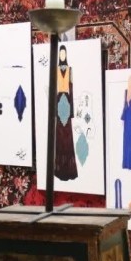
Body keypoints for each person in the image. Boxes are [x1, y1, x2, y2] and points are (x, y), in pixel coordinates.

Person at [54, 45, 78, 180]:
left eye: (64, 53)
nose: (62, 55)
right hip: (58, 102)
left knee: (68, 138)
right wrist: (54, 110)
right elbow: (53, 91)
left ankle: (69, 170)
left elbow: (72, 90)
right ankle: (60, 170)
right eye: (60, 54)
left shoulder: (70, 70)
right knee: (60, 137)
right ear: (58, 55)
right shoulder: (55, 70)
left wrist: (72, 111)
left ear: (66, 55)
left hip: (67, 102)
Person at [121, 75, 131, 170]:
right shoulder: (126, 91)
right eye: (129, 81)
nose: (130, 82)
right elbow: (124, 105)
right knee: (126, 140)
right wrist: (123, 118)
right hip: (126, 117)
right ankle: (126, 163)